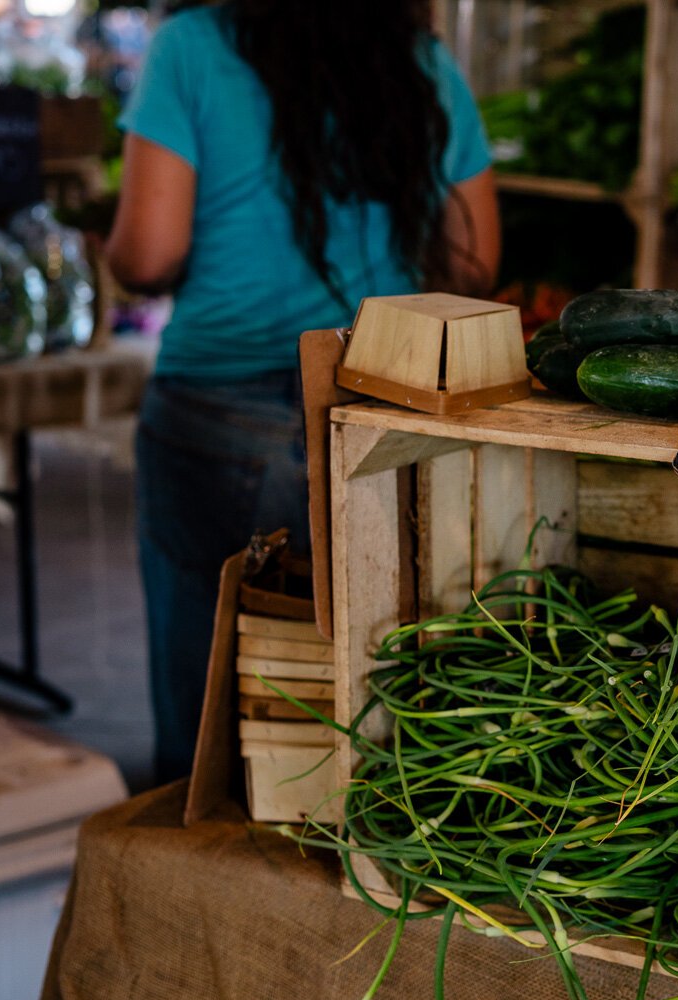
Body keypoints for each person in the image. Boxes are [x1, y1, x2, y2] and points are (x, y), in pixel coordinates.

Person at [105, 0, 498, 783]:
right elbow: (473, 269)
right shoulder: (421, 67)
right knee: (360, 689)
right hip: (373, 406)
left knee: (202, 708)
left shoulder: (188, 50)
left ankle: (189, 880)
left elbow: (147, 257)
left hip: (216, 413)